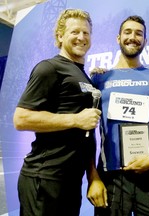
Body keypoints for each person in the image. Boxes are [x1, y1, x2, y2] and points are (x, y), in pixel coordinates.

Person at [13, 9, 103, 216]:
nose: (81, 37)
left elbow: (85, 134)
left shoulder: (81, 76)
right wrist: (76, 119)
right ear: (60, 36)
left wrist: (92, 176)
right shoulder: (49, 68)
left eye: (86, 33)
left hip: (70, 180)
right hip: (44, 178)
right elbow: (21, 118)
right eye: (75, 32)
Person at [90, 15, 149, 216]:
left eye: (139, 33)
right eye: (128, 32)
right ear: (118, 38)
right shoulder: (99, 78)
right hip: (110, 174)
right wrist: (92, 177)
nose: (133, 37)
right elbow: (86, 132)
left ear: (145, 41)